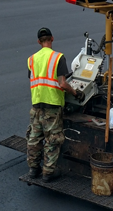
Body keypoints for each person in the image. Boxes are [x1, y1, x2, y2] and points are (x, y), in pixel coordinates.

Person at [27, 27, 84, 182]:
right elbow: (63, 83)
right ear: (52, 38)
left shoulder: (31, 59)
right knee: (53, 139)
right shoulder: (58, 57)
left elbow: (34, 79)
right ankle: (48, 172)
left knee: (34, 138)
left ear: (39, 41)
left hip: (36, 104)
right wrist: (75, 93)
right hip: (52, 105)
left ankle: (33, 169)